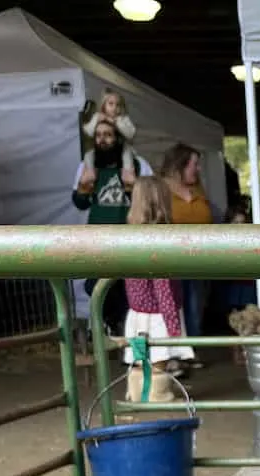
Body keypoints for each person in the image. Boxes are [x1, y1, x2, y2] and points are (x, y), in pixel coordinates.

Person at [73, 119, 152, 335]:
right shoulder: (88, 166)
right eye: (98, 135)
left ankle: (129, 333)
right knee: (95, 286)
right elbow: (80, 203)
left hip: (128, 238)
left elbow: (150, 201)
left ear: (118, 137)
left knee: (130, 287)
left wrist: (132, 186)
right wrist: (83, 186)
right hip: (98, 238)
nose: (102, 140)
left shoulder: (138, 164)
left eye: (108, 135)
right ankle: (107, 328)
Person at [122, 177, 194, 402]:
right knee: (158, 358)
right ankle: (158, 394)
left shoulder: (130, 236)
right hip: (159, 313)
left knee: (140, 356)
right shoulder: (160, 240)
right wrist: (172, 322)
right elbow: (163, 285)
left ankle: (137, 394)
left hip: (136, 310)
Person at [161, 143, 218, 366]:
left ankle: (190, 349)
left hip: (197, 259)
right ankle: (173, 352)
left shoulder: (197, 189)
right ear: (180, 165)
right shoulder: (161, 189)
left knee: (195, 304)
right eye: (195, 164)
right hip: (171, 259)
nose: (198, 169)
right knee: (172, 304)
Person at [82, 88, 137, 190]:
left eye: (118, 105)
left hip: (122, 147)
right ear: (104, 105)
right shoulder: (97, 116)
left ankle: (128, 174)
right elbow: (89, 131)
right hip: (99, 154)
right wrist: (96, 121)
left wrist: (116, 123)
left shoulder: (122, 119)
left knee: (127, 153)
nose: (114, 108)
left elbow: (130, 134)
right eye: (111, 104)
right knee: (88, 155)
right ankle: (90, 173)